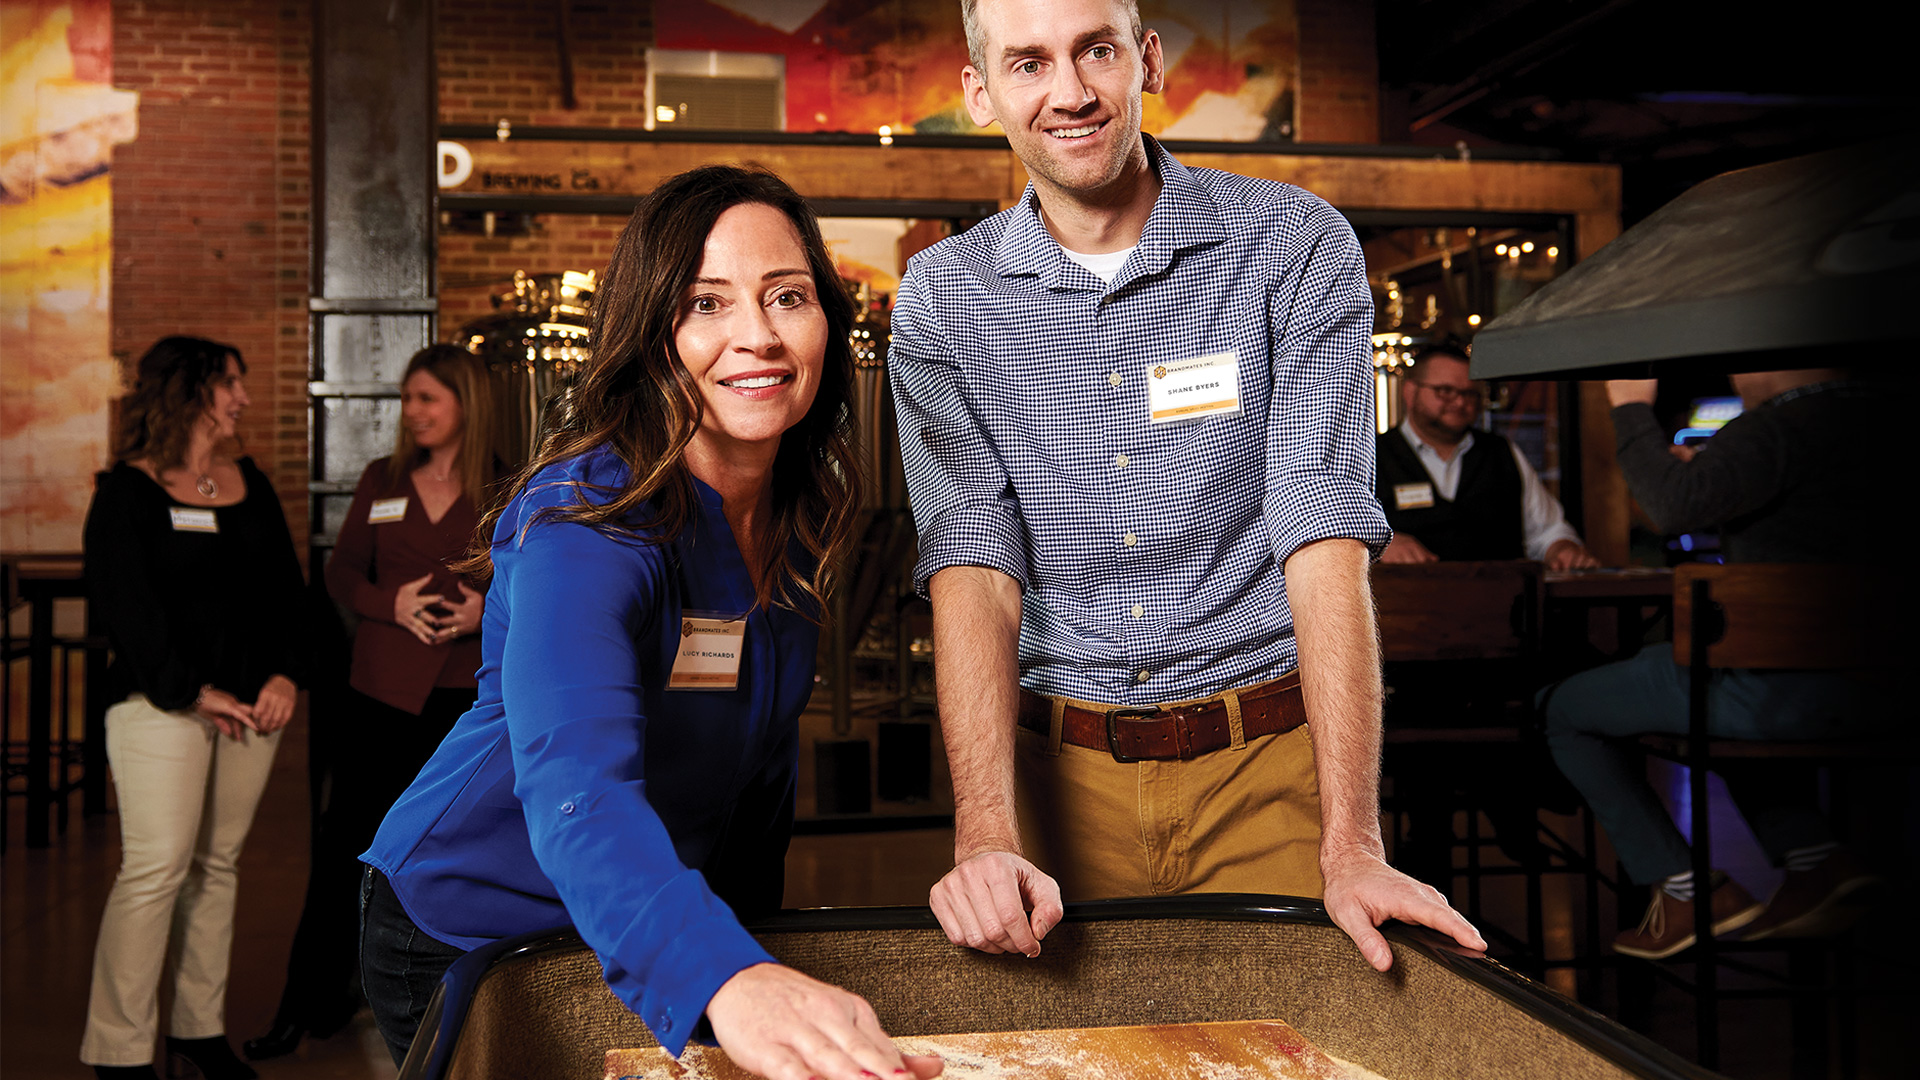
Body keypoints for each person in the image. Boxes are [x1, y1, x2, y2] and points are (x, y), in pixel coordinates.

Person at [886, 0, 1484, 971]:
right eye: (1028, 63)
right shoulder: (943, 298)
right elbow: (972, 564)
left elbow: (1321, 538)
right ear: (979, 92)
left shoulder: (1292, 243)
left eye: (1097, 51)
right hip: (1056, 782)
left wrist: (1352, 842)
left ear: (1148, 60)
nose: (1070, 92)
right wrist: (986, 832)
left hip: (1271, 768)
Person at [358, 166, 943, 1080]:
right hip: (469, 916)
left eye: (786, 297)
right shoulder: (583, 521)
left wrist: (752, 951)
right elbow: (577, 788)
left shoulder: (793, 511)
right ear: (651, 335)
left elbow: (759, 776)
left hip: (636, 914)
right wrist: (726, 974)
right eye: (706, 304)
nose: (758, 336)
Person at [1541, 368, 1890, 959]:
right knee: (1697, 683)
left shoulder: (1776, 427)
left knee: (1563, 707)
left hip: (1788, 696)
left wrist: (1630, 405)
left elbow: (1669, 508)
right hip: (1884, 692)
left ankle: (1685, 890)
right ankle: (1815, 861)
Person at [246, 345, 501, 1059]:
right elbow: (340, 572)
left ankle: (461, 1009)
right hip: (381, 694)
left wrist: (485, 608)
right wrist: (390, 601)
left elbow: (530, 570)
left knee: (459, 855)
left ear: (465, 403)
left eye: (427, 399)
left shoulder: (508, 482)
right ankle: (308, 1002)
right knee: (343, 850)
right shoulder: (383, 479)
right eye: (407, 399)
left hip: (465, 704)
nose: (412, 413)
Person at [80, 337, 308, 1080]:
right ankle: (117, 1050)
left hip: (250, 709)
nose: (242, 398)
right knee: (155, 867)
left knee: (218, 866)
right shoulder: (128, 492)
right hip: (160, 707)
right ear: (188, 392)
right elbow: (125, 611)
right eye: (230, 384)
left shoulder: (249, 482)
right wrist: (191, 690)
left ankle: (196, 1032)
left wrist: (283, 676)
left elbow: (284, 594)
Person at [1378, 343, 1598, 569]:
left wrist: (1563, 549)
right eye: (1444, 391)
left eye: (1469, 394)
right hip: (1406, 601)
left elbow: (1547, 531)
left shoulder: (1502, 452)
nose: (1460, 402)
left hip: (1502, 600)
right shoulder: (1372, 456)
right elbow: (1343, 537)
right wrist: (1381, 543)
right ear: (1410, 392)